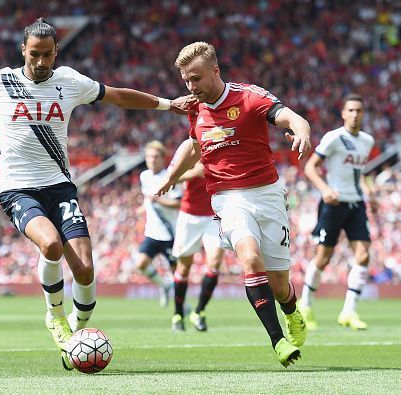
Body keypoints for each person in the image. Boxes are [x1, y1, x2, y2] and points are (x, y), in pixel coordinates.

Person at [0, 17, 192, 371]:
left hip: (60, 186)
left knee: (84, 270)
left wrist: (166, 104)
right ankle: (54, 316)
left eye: (47, 55)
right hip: (17, 189)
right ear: (23, 50)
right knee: (50, 245)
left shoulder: (70, 81)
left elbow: (117, 96)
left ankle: (77, 335)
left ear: (56, 53)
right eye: (34, 54)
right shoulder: (2, 82)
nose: (40, 62)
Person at [156, 41, 310, 367]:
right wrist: (172, 175)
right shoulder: (194, 108)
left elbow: (292, 118)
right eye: (186, 80)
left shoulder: (250, 97)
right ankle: (277, 341)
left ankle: (292, 312)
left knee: (280, 285)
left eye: (196, 78)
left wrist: (301, 132)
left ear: (216, 70)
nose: (191, 87)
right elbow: (194, 146)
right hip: (227, 198)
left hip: (268, 195)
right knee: (250, 258)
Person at [298, 94, 376, 331]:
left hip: (355, 205)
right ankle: (306, 304)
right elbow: (310, 168)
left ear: (363, 114)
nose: (354, 115)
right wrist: (324, 189)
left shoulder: (367, 141)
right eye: (350, 110)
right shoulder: (333, 138)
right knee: (323, 258)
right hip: (334, 204)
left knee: (363, 256)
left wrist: (369, 193)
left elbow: (357, 172)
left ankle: (349, 311)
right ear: (343, 113)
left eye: (359, 111)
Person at [168, 140, 225, 332]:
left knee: (215, 263)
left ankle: (199, 312)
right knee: (184, 268)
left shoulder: (223, 140)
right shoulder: (187, 146)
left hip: (215, 213)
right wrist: (196, 171)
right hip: (190, 215)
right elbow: (172, 176)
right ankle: (177, 314)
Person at [135, 140, 182, 308]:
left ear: (163, 158)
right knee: (140, 263)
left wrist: (159, 201)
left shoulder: (171, 177)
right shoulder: (144, 176)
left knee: (177, 273)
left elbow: (179, 203)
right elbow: (148, 199)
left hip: (170, 233)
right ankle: (164, 285)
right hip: (153, 232)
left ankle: (181, 308)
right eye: (149, 156)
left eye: (155, 156)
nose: (152, 160)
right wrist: (144, 207)